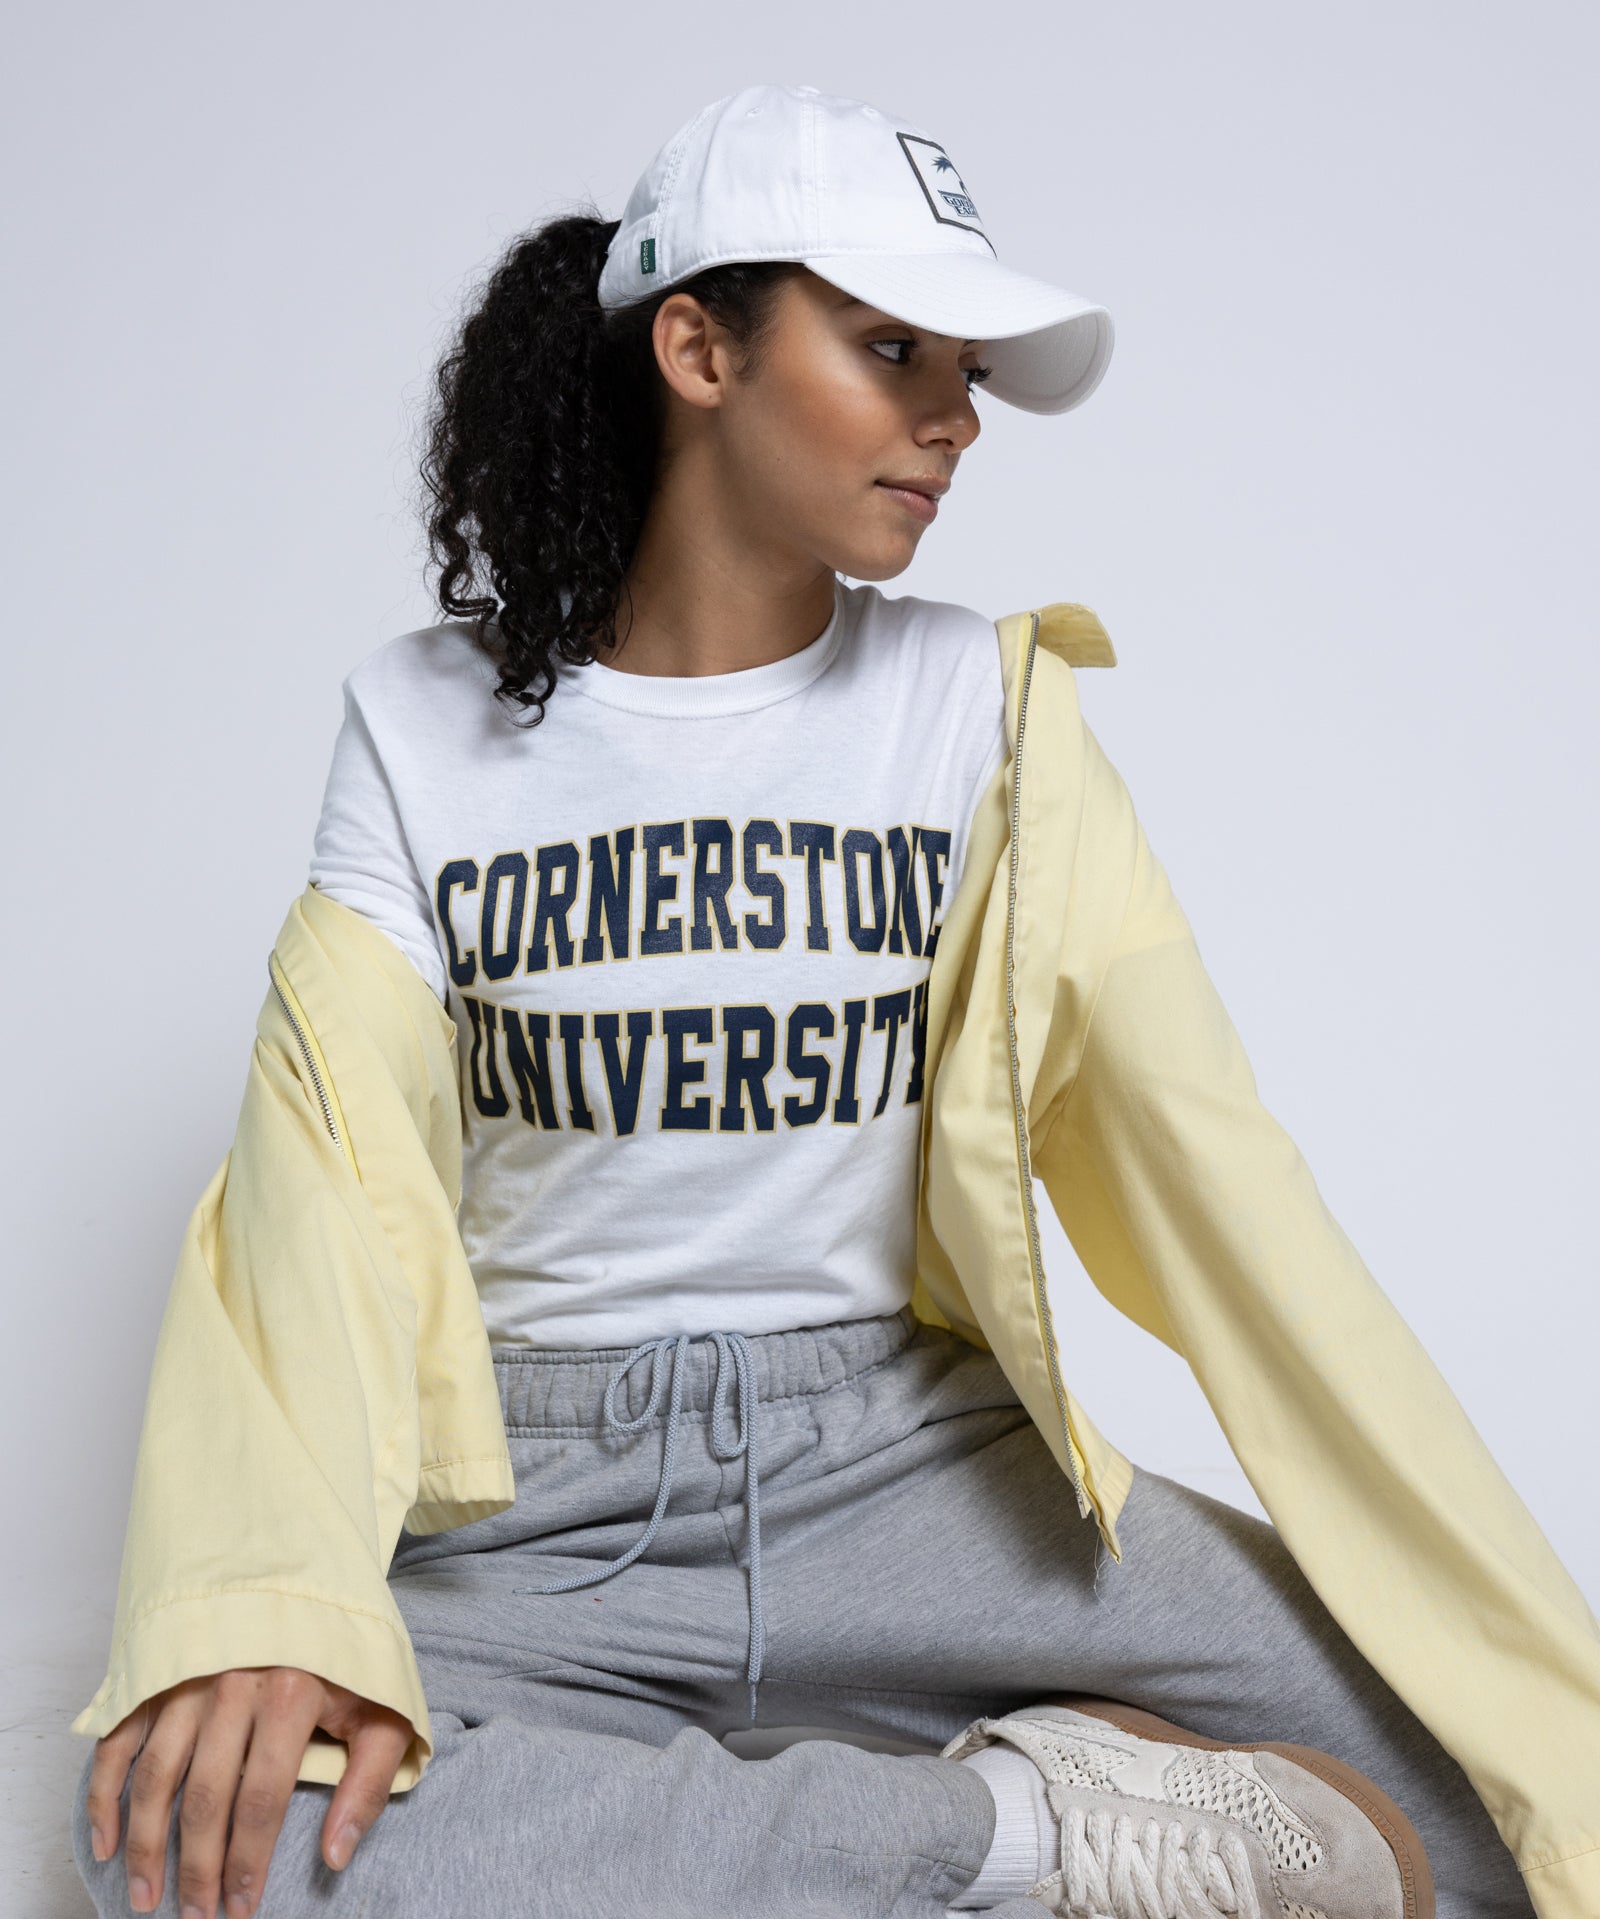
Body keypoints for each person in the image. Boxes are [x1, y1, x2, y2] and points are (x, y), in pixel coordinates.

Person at [69, 82, 1593, 1919]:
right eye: (890, 352)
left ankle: (745, 1832)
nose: (954, 420)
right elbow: (310, 1196)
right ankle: (1021, 1833)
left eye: (965, 370)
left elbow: (1221, 1181)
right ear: (698, 348)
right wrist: (269, 1593)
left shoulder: (980, 714)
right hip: (542, 1520)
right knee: (179, 1861)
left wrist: (1518, 1666)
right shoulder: (423, 733)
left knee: (1493, 1816)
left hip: (915, 1478)